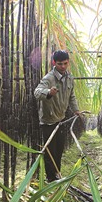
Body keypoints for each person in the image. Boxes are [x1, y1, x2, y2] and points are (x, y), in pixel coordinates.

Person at [34, 50, 81, 181]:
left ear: (68, 62)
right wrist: (48, 92)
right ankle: (50, 179)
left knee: (59, 149)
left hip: (61, 119)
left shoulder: (69, 78)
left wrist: (76, 110)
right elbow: (37, 92)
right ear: (54, 63)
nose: (63, 66)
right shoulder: (49, 78)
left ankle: (57, 173)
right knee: (50, 151)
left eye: (65, 63)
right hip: (48, 121)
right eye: (60, 64)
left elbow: (71, 96)